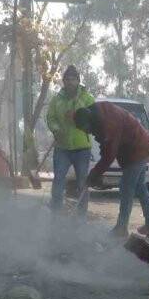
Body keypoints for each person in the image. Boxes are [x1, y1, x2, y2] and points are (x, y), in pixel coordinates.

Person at [73, 102, 149, 239]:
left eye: (86, 129)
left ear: (89, 121)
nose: (87, 132)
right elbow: (105, 145)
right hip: (139, 146)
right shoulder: (97, 114)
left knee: (126, 188)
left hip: (137, 150)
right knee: (140, 187)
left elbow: (109, 155)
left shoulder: (108, 123)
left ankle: (121, 228)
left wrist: (94, 174)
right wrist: (95, 173)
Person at [46, 65, 96, 216]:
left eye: (73, 79)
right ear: (64, 81)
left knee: (82, 183)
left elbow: (94, 118)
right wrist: (56, 130)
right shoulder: (56, 100)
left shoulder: (87, 98)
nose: (70, 82)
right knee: (58, 180)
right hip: (62, 147)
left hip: (82, 148)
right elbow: (50, 118)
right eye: (67, 79)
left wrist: (77, 117)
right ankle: (56, 214)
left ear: (78, 81)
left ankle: (81, 216)